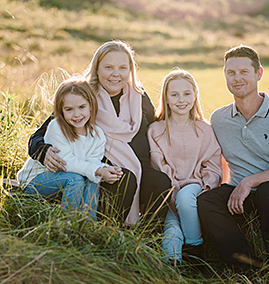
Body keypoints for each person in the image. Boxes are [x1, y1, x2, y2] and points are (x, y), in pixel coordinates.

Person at [28, 40, 171, 226]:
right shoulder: (84, 95)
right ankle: (108, 232)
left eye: (122, 67)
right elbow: (41, 134)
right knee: (124, 178)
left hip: (139, 166)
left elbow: (157, 127)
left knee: (161, 183)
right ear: (97, 69)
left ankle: (147, 240)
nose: (116, 74)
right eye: (109, 67)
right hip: (98, 169)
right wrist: (43, 150)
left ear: (130, 70)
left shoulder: (139, 95)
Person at [197, 45, 269, 271]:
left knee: (268, 189)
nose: (237, 78)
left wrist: (248, 181)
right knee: (206, 201)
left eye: (244, 72)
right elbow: (219, 160)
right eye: (230, 73)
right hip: (243, 198)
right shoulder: (219, 118)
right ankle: (245, 268)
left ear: (259, 73)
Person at [17, 77, 122, 219]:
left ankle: (87, 224)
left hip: (67, 176)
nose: (77, 114)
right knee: (76, 179)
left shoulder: (97, 134)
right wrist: (98, 170)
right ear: (61, 111)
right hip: (35, 180)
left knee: (93, 180)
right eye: (69, 109)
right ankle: (68, 223)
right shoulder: (56, 127)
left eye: (82, 107)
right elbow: (66, 163)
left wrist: (104, 169)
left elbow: (92, 162)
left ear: (91, 105)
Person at [147, 69, 222, 265]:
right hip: (169, 188)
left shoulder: (205, 130)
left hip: (195, 187)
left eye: (187, 93)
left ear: (195, 95)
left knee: (185, 198)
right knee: (171, 229)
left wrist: (206, 188)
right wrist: (172, 190)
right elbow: (158, 165)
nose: (181, 100)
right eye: (174, 94)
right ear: (166, 97)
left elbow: (212, 166)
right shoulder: (156, 130)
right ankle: (173, 272)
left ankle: (196, 250)